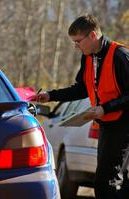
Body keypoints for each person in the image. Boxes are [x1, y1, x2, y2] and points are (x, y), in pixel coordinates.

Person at [32, 14, 129, 199]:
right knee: (113, 181)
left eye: (78, 41)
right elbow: (81, 89)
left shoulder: (120, 56)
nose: (76, 46)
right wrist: (51, 95)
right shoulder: (88, 57)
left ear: (93, 36)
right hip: (107, 125)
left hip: (123, 125)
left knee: (106, 182)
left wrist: (105, 108)